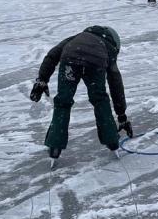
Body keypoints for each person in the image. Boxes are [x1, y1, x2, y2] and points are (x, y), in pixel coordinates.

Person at [29, 25, 132, 160]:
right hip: (95, 63)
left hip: (70, 58)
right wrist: (121, 115)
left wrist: (42, 80)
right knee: (100, 100)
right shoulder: (109, 48)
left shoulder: (77, 37)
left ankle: (55, 147)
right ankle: (112, 142)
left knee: (63, 101)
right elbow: (115, 83)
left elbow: (52, 55)